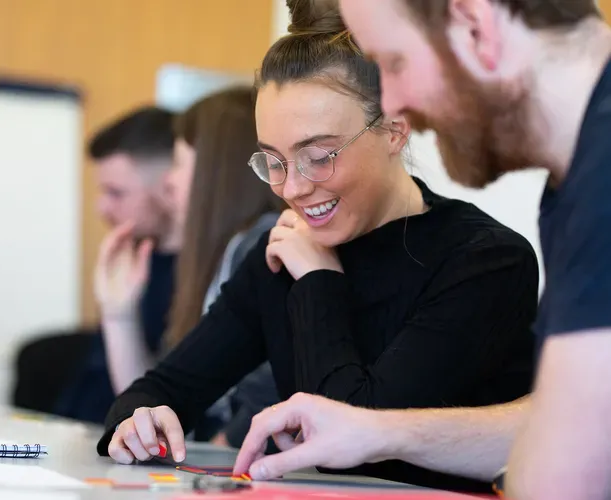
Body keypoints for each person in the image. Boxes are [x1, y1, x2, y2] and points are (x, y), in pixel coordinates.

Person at [97, 0, 539, 492]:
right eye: (274, 162)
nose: (293, 188)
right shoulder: (286, 250)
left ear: (394, 130)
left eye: (318, 157)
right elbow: (162, 388)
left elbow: (358, 441)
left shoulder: (485, 261)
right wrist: (141, 422)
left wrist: (319, 280)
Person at [236, 0, 611, 499]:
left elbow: (565, 476)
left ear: (475, 22)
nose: (393, 103)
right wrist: (375, 432)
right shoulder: (573, 183)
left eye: (394, 63)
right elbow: (576, 418)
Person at [96, 86, 282, 445]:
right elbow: (156, 405)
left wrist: (220, 450)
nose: (168, 181)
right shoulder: (217, 256)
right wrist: (118, 312)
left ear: (220, 172)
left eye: (180, 163)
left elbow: (273, 387)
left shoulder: (263, 244)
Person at [13, 106, 177, 422]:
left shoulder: (194, 276)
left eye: (117, 193)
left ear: (169, 186)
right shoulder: (138, 257)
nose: (103, 208)